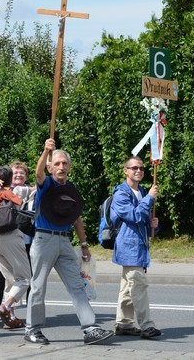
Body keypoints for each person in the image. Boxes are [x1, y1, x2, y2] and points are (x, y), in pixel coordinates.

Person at [24, 138, 114, 345]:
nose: (61, 167)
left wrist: (84, 245)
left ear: (70, 167)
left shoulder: (70, 188)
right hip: (44, 239)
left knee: (77, 286)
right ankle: (32, 329)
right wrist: (45, 152)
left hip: (64, 241)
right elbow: (38, 174)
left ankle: (90, 328)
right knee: (38, 286)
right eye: (57, 163)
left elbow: (76, 218)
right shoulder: (46, 184)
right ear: (50, 166)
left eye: (65, 163)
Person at [110, 156, 161, 339]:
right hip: (128, 247)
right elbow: (134, 216)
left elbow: (143, 221)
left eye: (141, 168)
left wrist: (153, 224)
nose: (138, 171)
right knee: (138, 286)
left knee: (127, 287)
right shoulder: (121, 194)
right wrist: (149, 199)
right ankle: (147, 325)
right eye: (134, 168)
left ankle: (124, 324)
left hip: (139, 246)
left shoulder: (141, 191)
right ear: (126, 171)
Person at [0, 166, 30, 329]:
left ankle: (10, 318)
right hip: (10, 237)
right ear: (10, 179)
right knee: (24, 279)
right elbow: (38, 186)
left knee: (11, 279)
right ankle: (4, 306)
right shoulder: (18, 191)